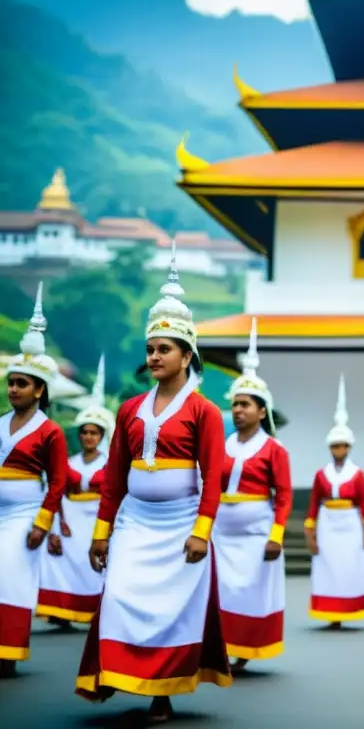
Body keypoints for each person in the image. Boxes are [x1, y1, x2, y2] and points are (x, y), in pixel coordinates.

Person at [76, 246, 231, 721]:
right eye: (151, 349)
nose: (155, 356)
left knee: (170, 610)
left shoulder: (204, 411)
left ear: (187, 356)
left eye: (165, 349)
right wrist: (101, 533)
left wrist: (201, 531)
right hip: (136, 524)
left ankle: (161, 692)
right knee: (120, 593)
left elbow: (214, 477)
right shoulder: (129, 410)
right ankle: (117, 675)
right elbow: (113, 479)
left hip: (181, 523)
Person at [213, 319, 292, 673]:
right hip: (221, 532)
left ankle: (244, 648)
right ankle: (220, 647)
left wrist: (276, 535)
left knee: (249, 591)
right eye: (236, 404)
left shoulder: (274, 449)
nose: (239, 410)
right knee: (221, 591)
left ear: (262, 411)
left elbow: (285, 494)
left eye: (247, 404)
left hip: (256, 533)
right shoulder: (221, 446)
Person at [0, 285, 69, 677]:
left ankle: (8, 652)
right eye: (11, 383)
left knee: (10, 576)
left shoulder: (51, 432)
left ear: (39, 389)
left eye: (22, 384)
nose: (13, 389)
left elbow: (57, 483)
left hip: (25, 514)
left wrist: (44, 523)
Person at [38, 354, 115, 628]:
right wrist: (55, 529)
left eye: (94, 433)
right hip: (71, 520)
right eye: (84, 432)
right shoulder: (68, 463)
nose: (88, 437)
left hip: (97, 520)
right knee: (64, 559)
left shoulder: (111, 465)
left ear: (102, 435)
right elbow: (55, 494)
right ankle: (63, 610)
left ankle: (98, 612)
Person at [305, 373, 364, 627]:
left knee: (349, 565)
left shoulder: (357, 474)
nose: (339, 451)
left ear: (349, 448)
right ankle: (330, 611)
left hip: (349, 523)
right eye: (335, 447)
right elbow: (313, 502)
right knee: (327, 565)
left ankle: (349, 607)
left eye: (343, 446)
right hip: (328, 522)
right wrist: (310, 530)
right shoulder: (321, 475)